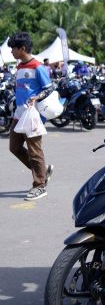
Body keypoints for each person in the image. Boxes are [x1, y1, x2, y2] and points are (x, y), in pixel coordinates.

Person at [8, 32, 54, 201]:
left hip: (32, 115)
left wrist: (36, 97)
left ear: (22, 48)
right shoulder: (20, 66)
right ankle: (43, 170)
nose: (11, 51)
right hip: (19, 114)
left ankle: (40, 186)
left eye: (13, 48)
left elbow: (49, 88)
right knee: (14, 147)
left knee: (35, 151)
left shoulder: (38, 67)